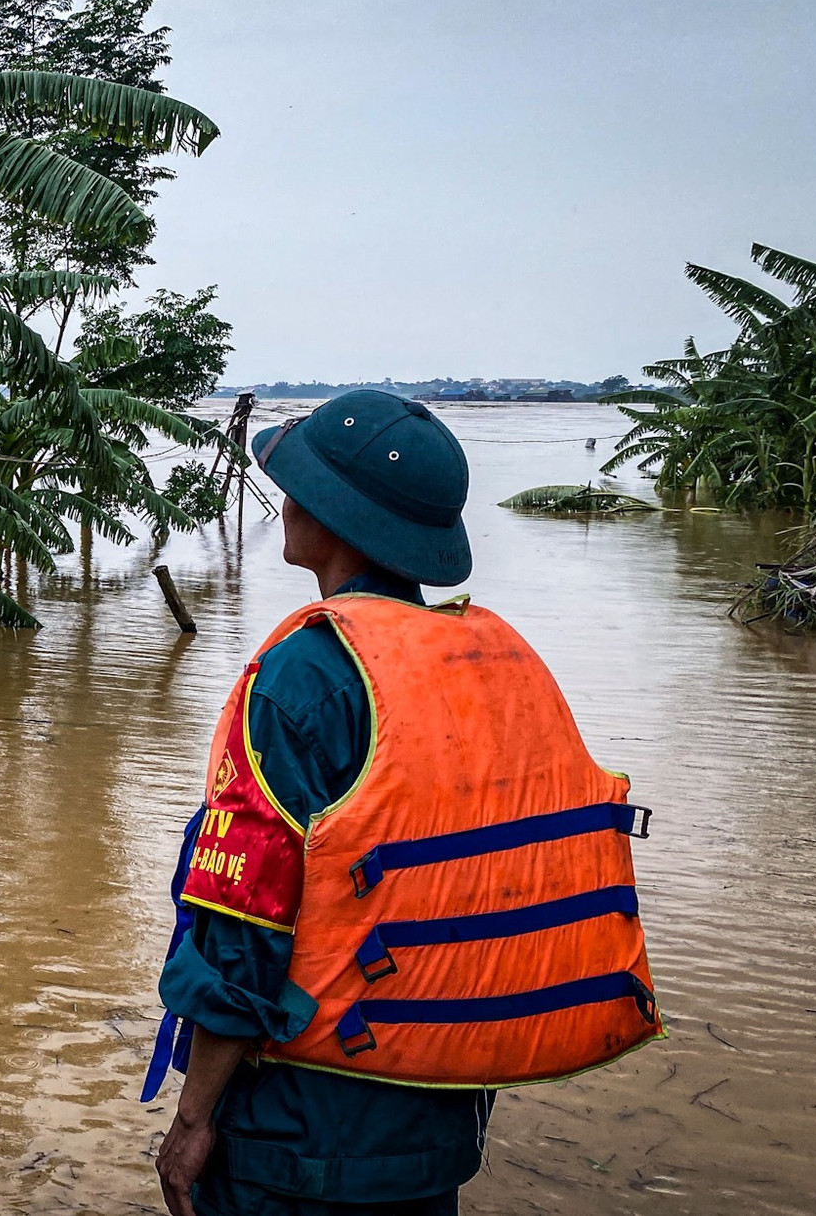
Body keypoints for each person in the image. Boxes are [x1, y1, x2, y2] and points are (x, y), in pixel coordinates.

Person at [147, 391, 661, 1216]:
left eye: (301, 484)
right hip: (440, 1118)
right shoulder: (477, 667)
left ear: (335, 516)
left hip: (298, 1132)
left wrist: (194, 1117)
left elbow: (245, 928)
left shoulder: (301, 678)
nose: (285, 498)